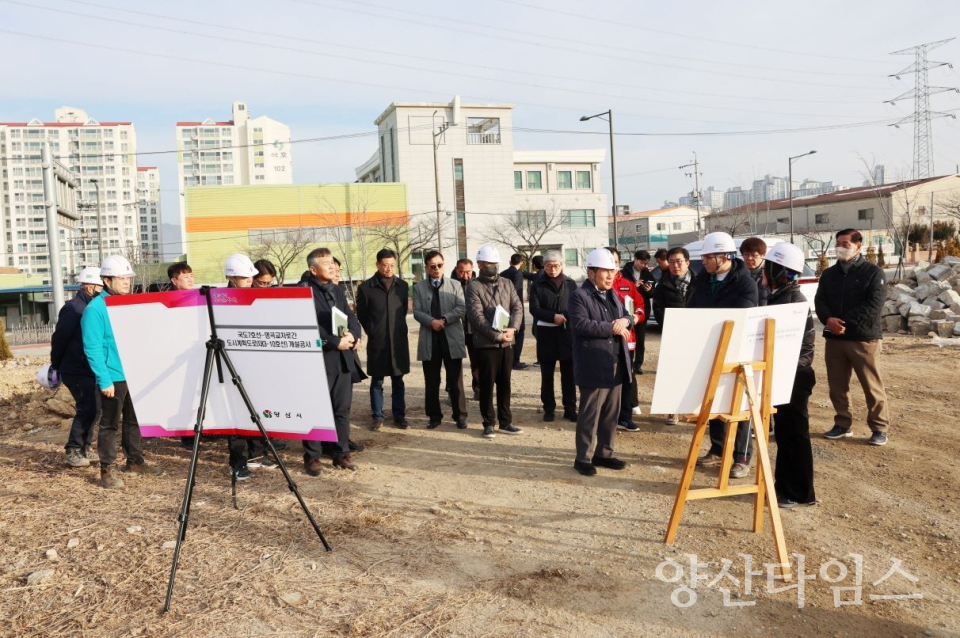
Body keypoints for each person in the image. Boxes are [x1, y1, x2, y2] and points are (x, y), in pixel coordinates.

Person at [81, 255, 163, 489]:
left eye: (129, 277)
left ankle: (135, 461)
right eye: (122, 278)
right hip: (113, 376)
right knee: (109, 424)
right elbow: (93, 347)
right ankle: (107, 470)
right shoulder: (95, 309)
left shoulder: (128, 303)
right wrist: (103, 379)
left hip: (134, 372)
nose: (127, 282)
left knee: (134, 421)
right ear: (107, 280)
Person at [687, 232, 759, 479]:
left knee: (738, 404)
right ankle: (718, 448)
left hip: (736, 351)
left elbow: (745, 314)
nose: (704, 261)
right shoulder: (702, 281)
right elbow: (691, 310)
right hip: (709, 350)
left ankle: (741, 457)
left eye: (708, 257)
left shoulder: (744, 283)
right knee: (714, 402)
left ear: (724, 256)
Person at [814, 229, 890, 446]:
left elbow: (873, 306)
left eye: (846, 244)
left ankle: (879, 427)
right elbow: (820, 301)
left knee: (871, 385)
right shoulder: (829, 274)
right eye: (838, 243)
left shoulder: (873, 273)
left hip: (863, 339)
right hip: (835, 340)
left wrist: (842, 322)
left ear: (858, 246)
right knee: (837, 386)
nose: (841, 247)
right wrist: (828, 320)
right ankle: (842, 423)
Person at [569, 248, 634, 476]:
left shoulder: (613, 294)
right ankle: (583, 458)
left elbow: (628, 315)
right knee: (591, 414)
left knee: (610, 413)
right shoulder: (580, 296)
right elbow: (580, 325)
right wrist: (612, 327)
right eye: (605, 271)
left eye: (613, 271)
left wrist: (625, 321)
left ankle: (604, 454)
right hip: (594, 363)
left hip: (615, 360)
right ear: (592, 272)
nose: (610, 276)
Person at [763, 242, 818, 508]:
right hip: (783, 373)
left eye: (768, 267)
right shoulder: (777, 295)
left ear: (779, 271)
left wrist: (784, 371)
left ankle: (801, 493)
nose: (763, 271)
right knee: (785, 435)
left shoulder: (794, 300)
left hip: (795, 376)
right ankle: (784, 487)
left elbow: (803, 348)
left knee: (795, 435)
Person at [302, 247, 363, 473]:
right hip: (319, 359)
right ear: (313, 269)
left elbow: (350, 316)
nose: (331, 266)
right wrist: (331, 341)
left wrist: (353, 335)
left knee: (342, 409)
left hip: (343, 358)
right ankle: (312, 457)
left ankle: (341, 453)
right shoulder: (303, 290)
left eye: (331, 262)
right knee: (317, 408)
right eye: (325, 263)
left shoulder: (336, 291)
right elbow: (307, 324)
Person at [465, 245, 524, 439]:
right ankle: (488, 423)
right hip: (486, 343)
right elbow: (476, 317)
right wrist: (496, 335)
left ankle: (506, 422)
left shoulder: (507, 283)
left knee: (505, 383)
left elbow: (517, 307)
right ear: (481, 264)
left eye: (495, 263)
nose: (493, 267)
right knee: (487, 384)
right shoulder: (473, 286)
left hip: (507, 342)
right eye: (489, 264)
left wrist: (512, 329)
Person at [51, 267, 103, 468]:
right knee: (87, 407)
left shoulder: (90, 307)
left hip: (86, 367)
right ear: (90, 287)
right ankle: (73, 449)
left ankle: (84, 448)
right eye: (100, 285)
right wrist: (56, 365)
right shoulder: (74, 308)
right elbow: (60, 338)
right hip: (75, 368)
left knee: (94, 408)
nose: (102, 289)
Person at [356, 249, 411, 430]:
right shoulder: (365, 288)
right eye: (385, 265)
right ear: (378, 264)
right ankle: (378, 416)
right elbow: (362, 315)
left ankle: (399, 415)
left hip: (398, 341)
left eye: (392, 265)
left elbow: (402, 312)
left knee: (398, 380)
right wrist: (373, 330)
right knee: (377, 381)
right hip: (377, 341)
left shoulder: (402, 286)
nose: (388, 269)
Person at [413, 250, 468, 430]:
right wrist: (431, 322)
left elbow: (461, 308)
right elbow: (417, 311)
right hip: (430, 338)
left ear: (444, 265)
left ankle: (460, 415)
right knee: (431, 380)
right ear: (427, 268)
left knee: (455, 379)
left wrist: (444, 320)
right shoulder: (419, 287)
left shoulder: (455, 285)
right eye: (433, 266)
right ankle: (434, 416)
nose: (437, 269)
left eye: (440, 265)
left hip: (450, 336)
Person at [528, 249, 578, 422]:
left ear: (561, 265)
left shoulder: (570, 283)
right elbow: (534, 308)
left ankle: (570, 408)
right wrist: (552, 316)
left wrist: (565, 316)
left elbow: (577, 306)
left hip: (566, 333)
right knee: (547, 374)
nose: (552, 269)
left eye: (556, 265)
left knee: (569, 374)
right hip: (546, 334)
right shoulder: (537, 284)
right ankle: (549, 408)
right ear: (544, 266)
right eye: (549, 266)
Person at [652, 247, 694, 425]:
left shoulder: (699, 283)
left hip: (695, 333)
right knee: (673, 373)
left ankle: (694, 409)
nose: (675, 265)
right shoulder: (663, 284)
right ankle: (673, 410)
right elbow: (658, 309)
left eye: (679, 261)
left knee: (696, 372)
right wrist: (669, 328)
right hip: (673, 334)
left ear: (687, 262)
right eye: (672, 262)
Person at [608, 248, 646, 432]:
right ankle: (606, 417)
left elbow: (640, 306)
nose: (611, 267)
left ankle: (625, 417)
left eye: (614, 262)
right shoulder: (594, 287)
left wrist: (636, 317)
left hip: (627, 341)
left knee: (626, 378)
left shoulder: (627, 284)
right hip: (604, 341)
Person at [620, 250, 655, 374]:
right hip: (626, 309)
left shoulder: (647, 273)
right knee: (627, 336)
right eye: (641, 262)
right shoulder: (624, 272)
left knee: (640, 338)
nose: (643, 265)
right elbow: (619, 290)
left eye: (645, 263)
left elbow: (652, 293)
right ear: (634, 259)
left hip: (642, 309)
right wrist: (633, 286)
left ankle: (638, 364)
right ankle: (627, 362)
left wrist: (649, 289)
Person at [453, 258, 480, 398]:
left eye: (468, 272)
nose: (465, 275)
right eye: (461, 272)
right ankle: (454, 391)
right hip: (455, 329)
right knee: (453, 362)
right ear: (457, 270)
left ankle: (478, 389)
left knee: (477, 362)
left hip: (474, 330)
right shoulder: (451, 284)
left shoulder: (478, 284)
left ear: (473, 269)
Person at [500, 253, 529, 370]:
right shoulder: (518, 274)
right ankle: (515, 361)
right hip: (515, 307)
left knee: (505, 332)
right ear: (521, 263)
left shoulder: (502, 273)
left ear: (510, 262)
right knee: (519, 332)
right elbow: (516, 292)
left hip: (503, 307)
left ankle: (506, 360)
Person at [740, 237, 768, 306]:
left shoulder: (770, 274)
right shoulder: (738, 275)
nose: (749, 258)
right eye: (746, 255)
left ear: (763, 255)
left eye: (754, 255)